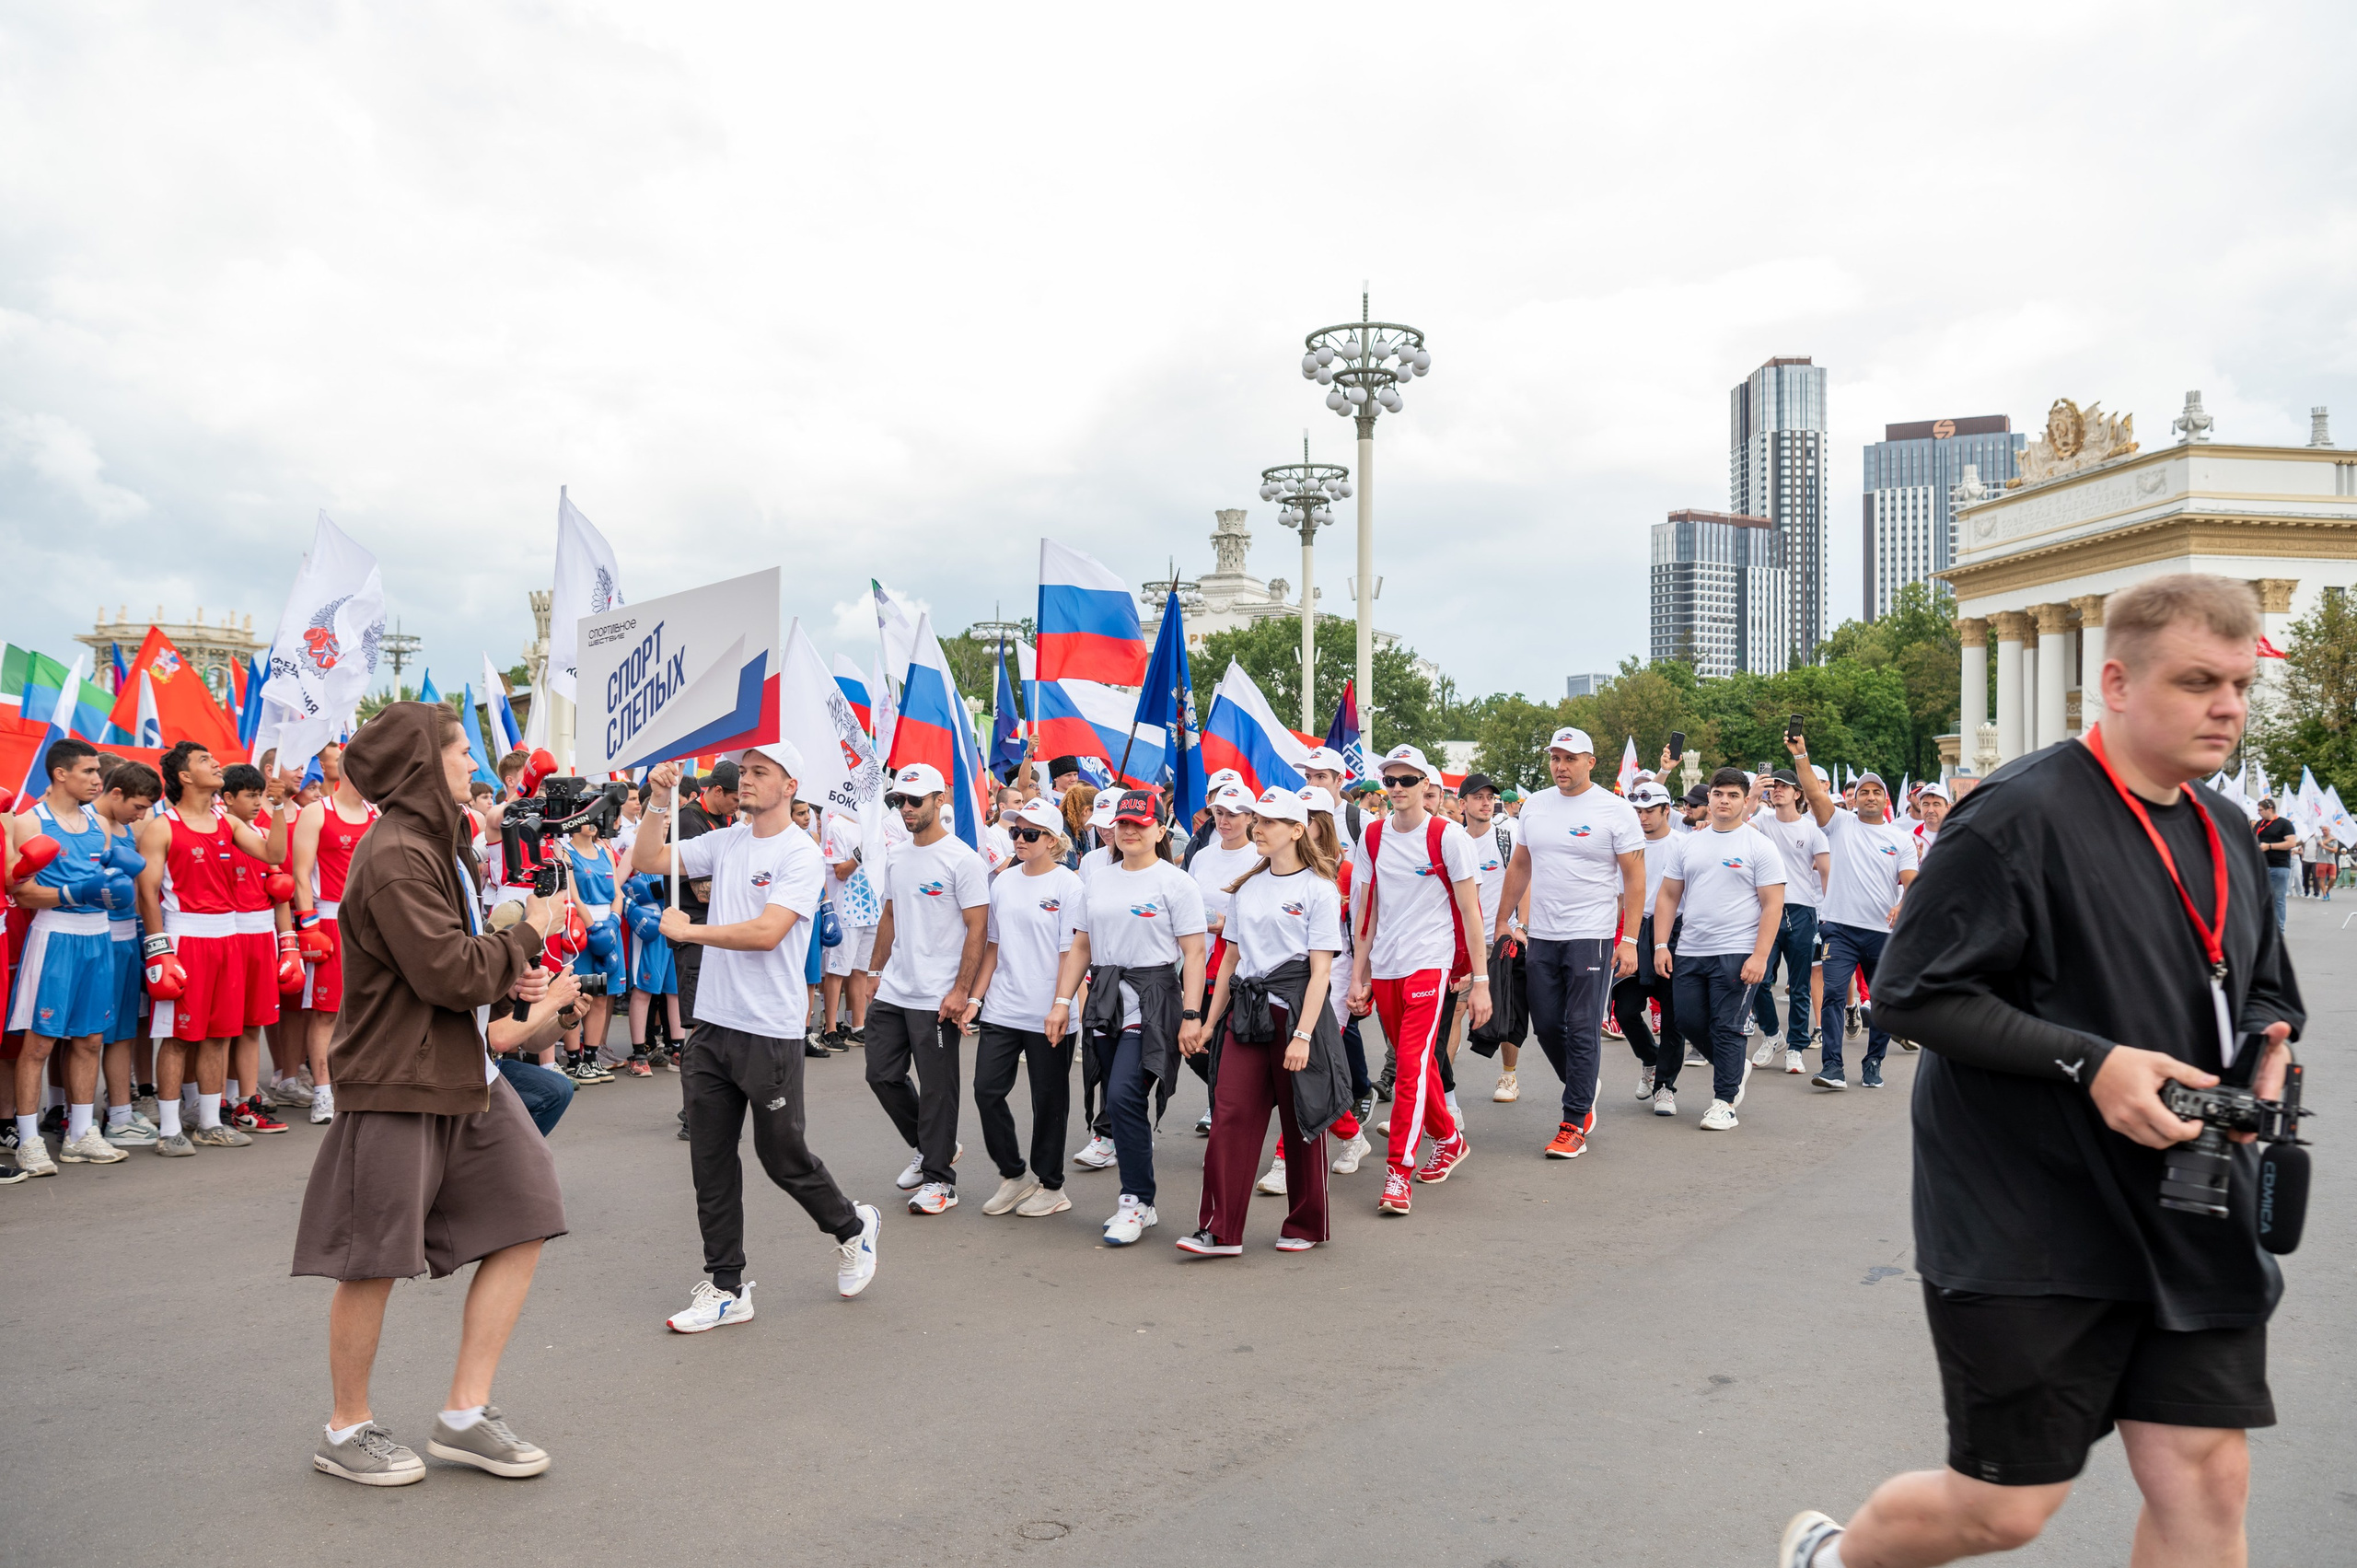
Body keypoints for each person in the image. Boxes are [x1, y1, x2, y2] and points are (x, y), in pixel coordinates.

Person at [1781, 575, 2303, 1568]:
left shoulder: (2229, 828)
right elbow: (1906, 994)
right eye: (2198, 680)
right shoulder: (2010, 818)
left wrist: (2269, 1054)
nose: (2227, 705)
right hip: (2027, 1210)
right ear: (2115, 680)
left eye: (2237, 682)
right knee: (2005, 1508)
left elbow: (2265, 991)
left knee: (2205, 1477)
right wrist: (2094, 1063)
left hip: (2189, 1203)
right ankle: (1832, 1556)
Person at [292, 702, 566, 1488]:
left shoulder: (439, 842)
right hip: (399, 1078)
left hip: (464, 1071)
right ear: (423, 763)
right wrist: (525, 934)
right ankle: (346, 1427)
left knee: (529, 1212)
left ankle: (464, 1414)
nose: (472, 764)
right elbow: (447, 972)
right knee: (374, 1256)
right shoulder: (395, 853)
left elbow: (456, 958)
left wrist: (505, 957)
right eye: (459, 752)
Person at [633, 748, 882, 1330]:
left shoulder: (801, 853)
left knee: (782, 1157)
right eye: (742, 773)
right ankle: (726, 1287)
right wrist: (656, 803)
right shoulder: (727, 841)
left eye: (759, 773)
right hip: (712, 1026)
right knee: (710, 1159)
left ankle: (851, 1226)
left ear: (790, 785)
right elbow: (648, 857)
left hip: (768, 1029)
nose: (745, 781)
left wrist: (692, 930)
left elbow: (770, 932)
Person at [1182, 784, 1347, 1255]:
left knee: (1302, 1123)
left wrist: (1302, 1036)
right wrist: (1211, 1023)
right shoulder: (1248, 888)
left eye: (1271, 821)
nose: (1259, 827)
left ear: (1298, 830)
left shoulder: (1320, 889)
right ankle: (1219, 1230)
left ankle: (1306, 1224)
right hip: (1247, 1015)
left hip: (1297, 1014)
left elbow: (1321, 972)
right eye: (1258, 819)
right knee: (1229, 1115)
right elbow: (1230, 961)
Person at [1050, 788, 1207, 1245]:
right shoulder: (1096, 879)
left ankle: (1136, 1201)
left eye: (1141, 823)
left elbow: (1194, 954)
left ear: (1160, 830)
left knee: (1121, 1095)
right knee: (1118, 1097)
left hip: (1154, 998)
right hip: (1104, 997)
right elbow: (1082, 944)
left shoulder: (1176, 883)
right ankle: (1142, 1200)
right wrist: (1062, 1003)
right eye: (1123, 823)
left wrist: (1192, 1014)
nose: (1130, 830)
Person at [1344, 744, 1489, 1214]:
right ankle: (1449, 1137)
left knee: (1408, 1063)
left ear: (1427, 784)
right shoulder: (1371, 837)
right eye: (1391, 781)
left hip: (1431, 960)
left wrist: (1481, 979)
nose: (1399, 789)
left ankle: (1397, 1174)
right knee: (1420, 1064)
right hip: (1385, 965)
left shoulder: (1448, 835)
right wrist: (1358, 973)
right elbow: (1366, 910)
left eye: (1409, 780)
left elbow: (1471, 911)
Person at [1490, 726, 1644, 1160]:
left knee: (1581, 1027)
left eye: (1570, 758)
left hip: (1591, 936)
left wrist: (1629, 939)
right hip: (1541, 933)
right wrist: (1503, 921)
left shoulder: (1614, 810)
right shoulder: (1535, 806)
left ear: (1590, 762)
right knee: (1547, 1027)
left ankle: (1574, 1119)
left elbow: (1635, 878)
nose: (1561, 765)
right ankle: (1583, 1082)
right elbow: (1520, 865)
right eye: (1556, 757)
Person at [135, 741, 293, 1157]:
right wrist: (159, 950)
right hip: (185, 936)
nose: (216, 763)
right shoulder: (162, 826)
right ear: (185, 777)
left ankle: (208, 1122)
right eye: (204, 760)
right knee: (177, 1038)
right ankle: (169, 1129)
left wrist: (278, 807)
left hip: (229, 937)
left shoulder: (228, 823)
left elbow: (274, 853)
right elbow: (147, 893)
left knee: (221, 1034)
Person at [6, 739, 140, 1171]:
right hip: (56, 936)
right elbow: (19, 892)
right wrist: (70, 892)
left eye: (98, 772)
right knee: (40, 1043)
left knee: (91, 1040)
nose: (98, 780)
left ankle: (82, 1133)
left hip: (98, 936)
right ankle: (28, 1141)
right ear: (61, 774)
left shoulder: (99, 824)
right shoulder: (28, 823)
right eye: (88, 772)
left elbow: (105, 887)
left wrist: (113, 889)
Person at [862, 762, 989, 1216]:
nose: (906, 808)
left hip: (937, 994)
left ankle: (940, 1181)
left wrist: (961, 991)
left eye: (915, 800)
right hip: (896, 987)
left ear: (940, 800)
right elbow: (890, 917)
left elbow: (978, 930)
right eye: (898, 800)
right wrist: (875, 972)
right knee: (880, 1074)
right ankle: (933, 1143)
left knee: (938, 1087)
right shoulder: (897, 856)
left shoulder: (963, 860)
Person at [963, 796, 1084, 1217]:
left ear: (1052, 840)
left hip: (1049, 1012)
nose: (1019, 839)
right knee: (985, 1090)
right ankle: (1013, 1174)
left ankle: (1052, 1185)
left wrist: (1061, 1005)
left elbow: (1071, 953)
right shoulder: (1004, 881)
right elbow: (992, 947)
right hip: (1003, 1007)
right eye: (1014, 831)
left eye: (1029, 834)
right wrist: (975, 998)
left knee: (1048, 1101)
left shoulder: (1069, 885)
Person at [1650, 767, 1785, 1131]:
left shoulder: (1759, 846)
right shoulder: (1688, 843)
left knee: (1727, 1026)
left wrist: (1760, 956)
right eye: (1718, 794)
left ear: (1745, 801)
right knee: (1687, 1020)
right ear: (1708, 798)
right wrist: (1661, 944)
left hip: (1738, 951)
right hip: (1691, 949)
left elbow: (1773, 904)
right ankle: (1734, 1065)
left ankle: (1724, 1102)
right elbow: (1667, 895)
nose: (1724, 801)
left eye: (1733, 795)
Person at [1785, 742, 1918, 1091]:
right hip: (1839, 930)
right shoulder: (1839, 823)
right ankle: (1833, 1067)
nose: (1870, 796)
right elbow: (1813, 791)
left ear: (1885, 800)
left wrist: (1902, 904)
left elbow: (1912, 883)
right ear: (1855, 798)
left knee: (1884, 1002)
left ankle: (1873, 1061)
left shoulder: (1899, 839)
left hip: (1882, 933)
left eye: (1876, 792)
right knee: (1832, 994)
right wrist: (1801, 754)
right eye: (1864, 792)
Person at [289, 748, 378, 1125]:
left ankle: (363, 1084)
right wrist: (309, 927)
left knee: (372, 1009)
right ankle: (324, 1093)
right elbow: (300, 874)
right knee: (327, 1014)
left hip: (373, 922)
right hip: (330, 918)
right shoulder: (317, 812)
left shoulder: (377, 815)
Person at [218, 762, 295, 1135]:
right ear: (227, 797)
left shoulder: (263, 834)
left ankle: (246, 1102)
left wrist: (289, 943)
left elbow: (280, 890)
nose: (255, 802)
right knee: (221, 1027)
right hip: (227, 934)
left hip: (261, 936)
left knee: (252, 1025)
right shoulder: (218, 833)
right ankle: (214, 1100)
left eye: (259, 794)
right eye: (250, 795)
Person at [93, 762, 165, 1146]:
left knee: (122, 1030)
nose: (142, 815)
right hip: (94, 936)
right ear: (116, 792)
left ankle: (119, 1115)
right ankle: (75, 1117)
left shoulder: (125, 826)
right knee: (85, 1034)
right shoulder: (92, 823)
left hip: (126, 935)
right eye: (138, 806)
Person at [1746, 768, 1831, 1075]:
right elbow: (1735, 828)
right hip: (1767, 909)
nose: (1778, 790)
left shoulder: (1812, 831)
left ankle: (1796, 1047)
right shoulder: (1762, 822)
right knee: (1758, 978)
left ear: (1798, 794)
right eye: (1775, 786)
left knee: (1799, 985)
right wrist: (1754, 795)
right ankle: (1772, 1035)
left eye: (1785, 787)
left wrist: (1829, 917)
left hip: (1802, 911)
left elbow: (1826, 874)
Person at [1610, 781, 1687, 1113]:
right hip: (1633, 929)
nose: (1641, 817)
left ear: (1666, 810)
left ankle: (1666, 1087)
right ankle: (1650, 1058)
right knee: (1625, 1009)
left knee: (1673, 1014)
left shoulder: (1685, 844)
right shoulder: (1626, 844)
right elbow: (1618, 894)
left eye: (1649, 811)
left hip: (1676, 931)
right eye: (1637, 811)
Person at [558, 817, 627, 1079]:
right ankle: (574, 1060)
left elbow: (617, 893)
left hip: (608, 929)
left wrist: (612, 922)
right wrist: (593, 928)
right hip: (582, 932)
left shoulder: (605, 850)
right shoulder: (566, 852)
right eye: (589, 818)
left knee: (600, 996)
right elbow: (573, 895)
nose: (595, 823)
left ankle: (591, 1056)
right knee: (579, 996)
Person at [815, 806, 875, 1051]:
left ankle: (856, 1028)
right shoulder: (837, 825)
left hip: (870, 907)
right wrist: (861, 853)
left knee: (860, 970)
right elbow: (839, 871)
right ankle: (830, 1029)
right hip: (846, 907)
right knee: (836, 970)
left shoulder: (872, 824)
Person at [2250, 798, 2294, 931]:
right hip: (2261, 866)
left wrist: (2269, 846)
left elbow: (2291, 843)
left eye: (2260, 810)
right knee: (2260, 897)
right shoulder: (2259, 824)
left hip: (2278, 866)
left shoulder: (2284, 824)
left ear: (2270, 809)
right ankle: (2263, 928)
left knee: (2278, 898)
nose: (2258, 813)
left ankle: (2278, 929)